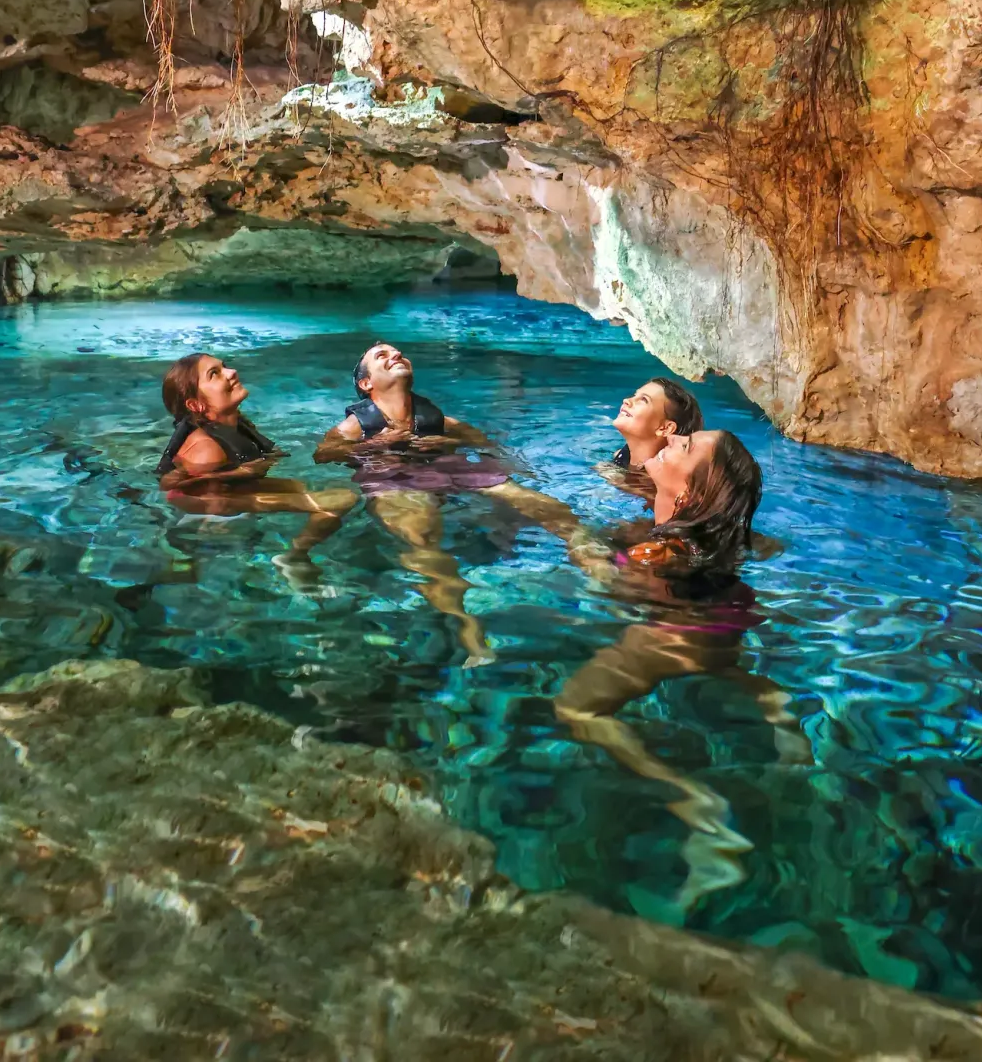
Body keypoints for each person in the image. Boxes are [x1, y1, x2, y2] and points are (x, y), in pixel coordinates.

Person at [556, 426, 805, 912]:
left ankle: (692, 801)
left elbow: (617, 590)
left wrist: (584, 549)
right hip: (730, 621)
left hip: (677, 632)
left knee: (576, 709)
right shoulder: (720, 540)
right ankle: (770, 698)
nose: (670, 440)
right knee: (711, 661)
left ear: (689, 494)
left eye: (684, 447)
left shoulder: (656, 551)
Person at [315, 340, 581, 661]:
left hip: (448, 469)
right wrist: (374, 446)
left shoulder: (439, 421)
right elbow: (324, 455)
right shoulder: (356, 425)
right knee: (422, 538)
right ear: (366, 384)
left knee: (537, 502)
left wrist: (445, 442)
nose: (396, 355)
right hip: (393, 478)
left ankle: (589, 554)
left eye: (398, 353)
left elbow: (483, 443)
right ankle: (467, 627)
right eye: (382, 356)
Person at [156, 352, 356, 567]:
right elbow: (208, 500)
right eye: (214, 374)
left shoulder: (234, 425)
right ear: (197, 405)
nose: (231, 372)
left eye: (224, 366)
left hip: (235, 489)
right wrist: (255, 498)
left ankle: (296, 556)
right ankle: (294, 558)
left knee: (332, 490)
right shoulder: (206, 448)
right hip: (216, 510)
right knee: (342, 500)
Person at [601, 377, 703, 499]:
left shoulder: (663, 484)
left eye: (644, 400)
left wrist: (619, 481)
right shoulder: (622, 455)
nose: (627, 400)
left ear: (665, 428)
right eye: (635, 395)